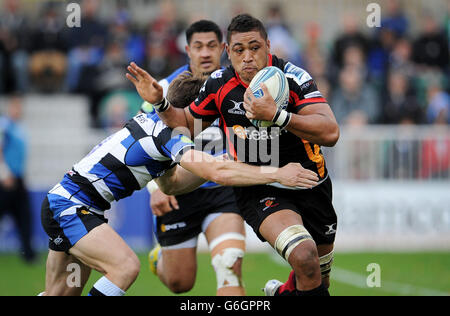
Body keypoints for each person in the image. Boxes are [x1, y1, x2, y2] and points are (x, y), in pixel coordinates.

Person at [40, 72, 319, 296]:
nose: (208, 120)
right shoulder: (170, 135)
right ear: (191, 111)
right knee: (125, 267)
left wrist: (220, 161)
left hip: (68, 203)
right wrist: (277, 173)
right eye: (205, 114)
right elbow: (219, 173)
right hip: (71, 206)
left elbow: (171, 185)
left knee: (61, 292)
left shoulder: (154, 124)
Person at [127, 14, 339, 296]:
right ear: (229, 52)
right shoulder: (219, 84)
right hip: (260, 187)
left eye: (255, 48)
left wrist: (277, 116)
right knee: (303, 256)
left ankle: (283, 293)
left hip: (311, 183)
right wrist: (160, 102)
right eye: (239, 50)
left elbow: (330, 132)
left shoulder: (293, 78)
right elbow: (187, 124)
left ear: (268, 46)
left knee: (315, 277)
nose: (248, 57)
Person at [143, 20, 248, 296]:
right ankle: (159, 259)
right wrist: (155, 187)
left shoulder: (237, 84)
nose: (205, 53)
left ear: (222, 49)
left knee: (229, 266)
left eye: (212, 46)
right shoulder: (163, 90)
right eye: (198, 47)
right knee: (180, 284)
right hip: (179, 191)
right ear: (187, 50)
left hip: (223, 188)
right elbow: (143, 139)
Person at [0, 95, 35, 263]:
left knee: (25, 216)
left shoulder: (18, 127)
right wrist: (4, 173)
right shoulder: (4, 125)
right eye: (15, 107)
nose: (17, 110)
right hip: (6, 179)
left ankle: (28, 255)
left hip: (18, 178)